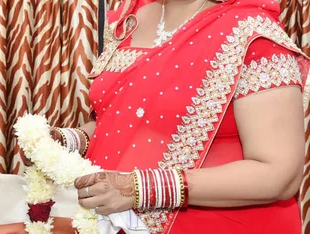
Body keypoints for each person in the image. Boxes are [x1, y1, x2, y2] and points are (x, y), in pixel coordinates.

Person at [51, 0, 308, 233]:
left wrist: (143, 188)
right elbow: (123, 121)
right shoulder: (130, 19)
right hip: (119, 221)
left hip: (217, 224)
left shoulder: (252, 33)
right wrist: (68, 141)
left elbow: (279, 173)